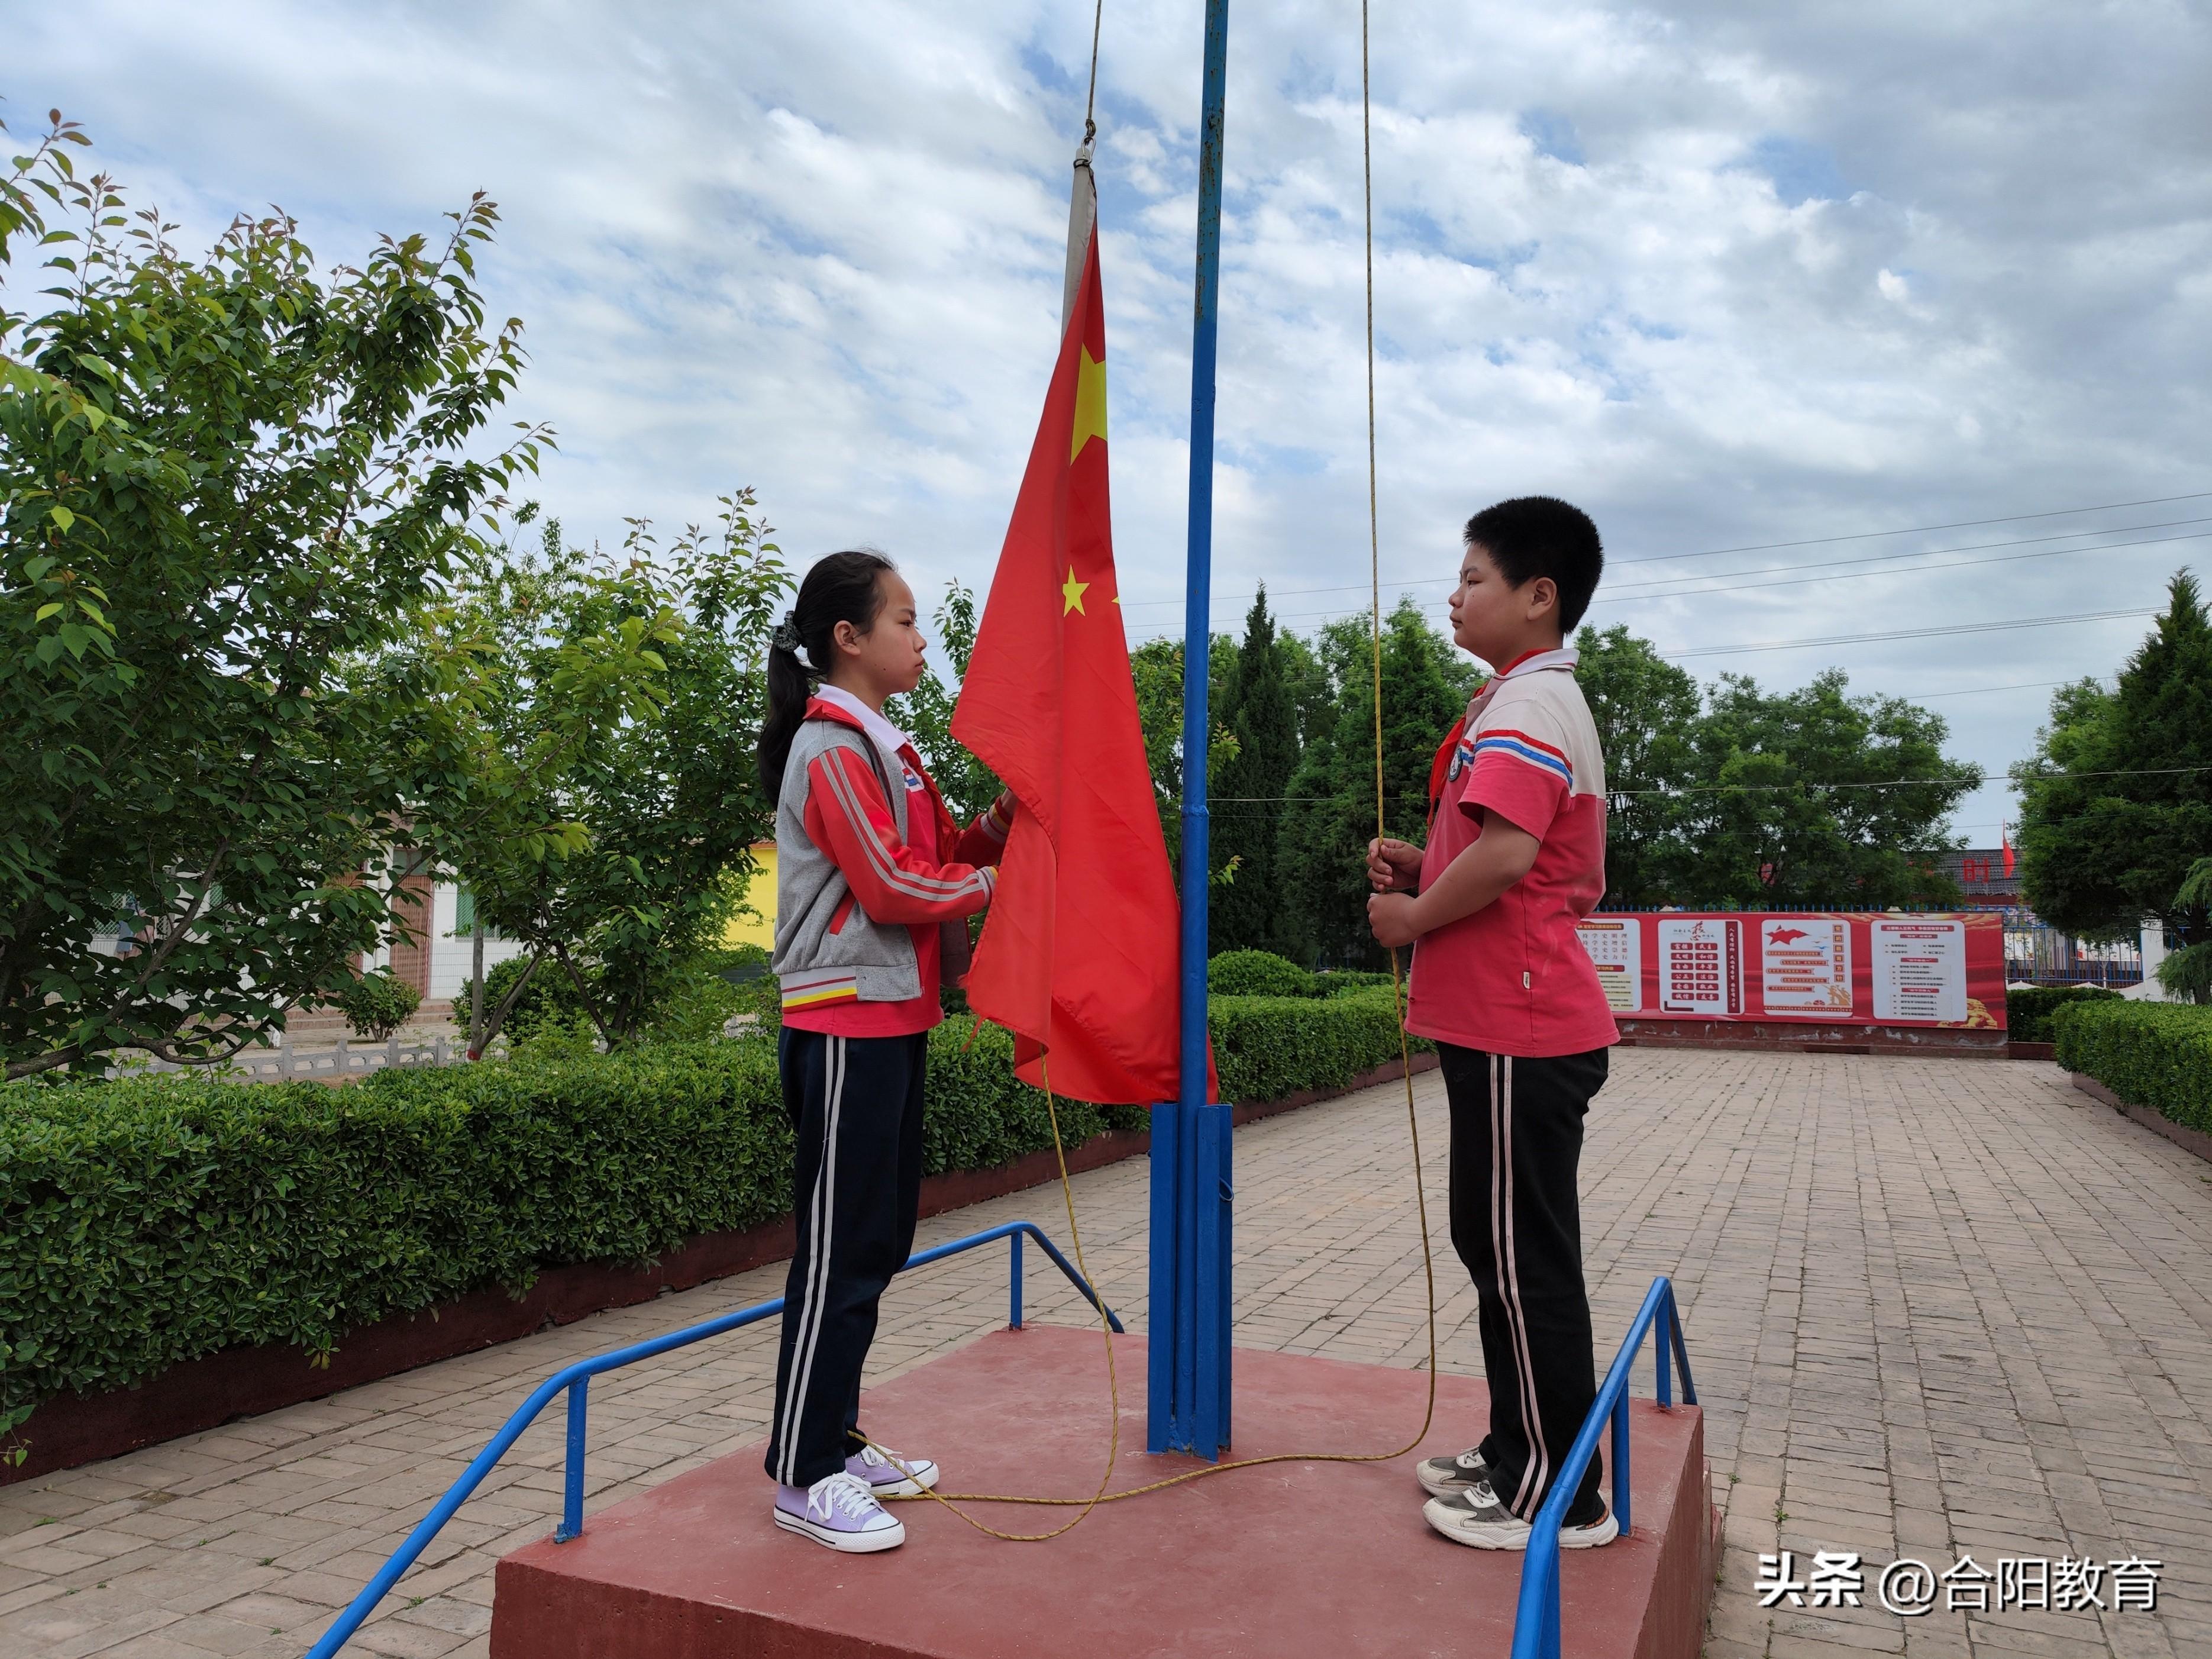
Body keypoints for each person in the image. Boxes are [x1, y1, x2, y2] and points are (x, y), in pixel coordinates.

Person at [1364, 496, 1620, 1551]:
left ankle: (1557, 1495)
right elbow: (1530, 859)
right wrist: (1430, 867)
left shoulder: (1526, 707)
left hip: (1522, 1025)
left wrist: (1414, 914)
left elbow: (1513, 858)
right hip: (1507, 1021)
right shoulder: (1521, 700)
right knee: (1498, 1244)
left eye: (1473, 577)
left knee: (1520, 1258)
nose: (1455, 595)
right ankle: (1521, 1445)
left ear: (1538, 596)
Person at [754, 550, 1016, 1554]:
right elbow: (893, 889)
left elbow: (942, 856)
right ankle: (803, 1470)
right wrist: (1003, 893)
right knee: (836, 1255)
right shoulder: (831, 747)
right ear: (847, 639)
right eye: (905, 621)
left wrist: (1004, 820)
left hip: (894, 1020)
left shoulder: (886, 745)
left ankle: (838, 1438)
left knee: (876, 1242)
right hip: (840, 1026)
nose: (921, 639)